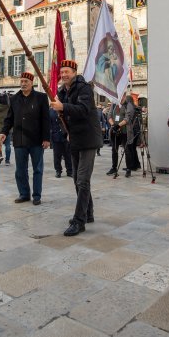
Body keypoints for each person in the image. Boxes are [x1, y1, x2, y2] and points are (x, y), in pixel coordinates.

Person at [51, 59, 103, 236]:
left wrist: (62, 106)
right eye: (62, 72)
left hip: (88, 139)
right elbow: (63, 114)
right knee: (76, 179)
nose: (64, 74)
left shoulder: (84, 88)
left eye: (67, 71)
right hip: (74, 139)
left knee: (82, 180)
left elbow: (83, 109)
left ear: (74, 72)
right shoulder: (62, 91)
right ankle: (88, 213)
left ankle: (79, 221)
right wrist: (60, 111)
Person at [0, 72, 51, 205]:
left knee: (37, 169)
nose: (23, 84)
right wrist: (4, 131)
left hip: (37, 140)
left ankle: (37, 195)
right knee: (20, 170)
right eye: (21, 81)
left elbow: (46, 119)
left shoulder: (41, 97)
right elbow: (9, 118)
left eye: (25, 82)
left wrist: (46, 138)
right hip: (19, 139)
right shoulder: (14, 98)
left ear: (31, 83)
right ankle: (24, 194)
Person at [121, 94, 142, 176]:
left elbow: (130, 119)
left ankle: (132, 166)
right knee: (133, 148)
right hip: (136, 130)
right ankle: (136, 164)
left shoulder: (130, 107)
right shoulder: (136, 107)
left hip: (132, 130)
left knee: (130, 148)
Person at [106, 99, 127, 176]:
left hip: (124, 131)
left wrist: (119, 125)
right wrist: (113, 125)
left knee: (126, 150)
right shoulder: (114, 104)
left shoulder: (126, 104)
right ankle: (114, 167)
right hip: (114, 131)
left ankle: (129, 168)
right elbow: (109, 115)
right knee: (114, 149)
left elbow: (127, 118)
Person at [50, 108, 72, 178]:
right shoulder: (50, 111)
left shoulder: (64, 109)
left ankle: (70, 171)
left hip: (66, 136)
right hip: (55, 136)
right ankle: (58, 170)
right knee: (57, 155)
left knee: (68, 155)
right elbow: (49, 124)